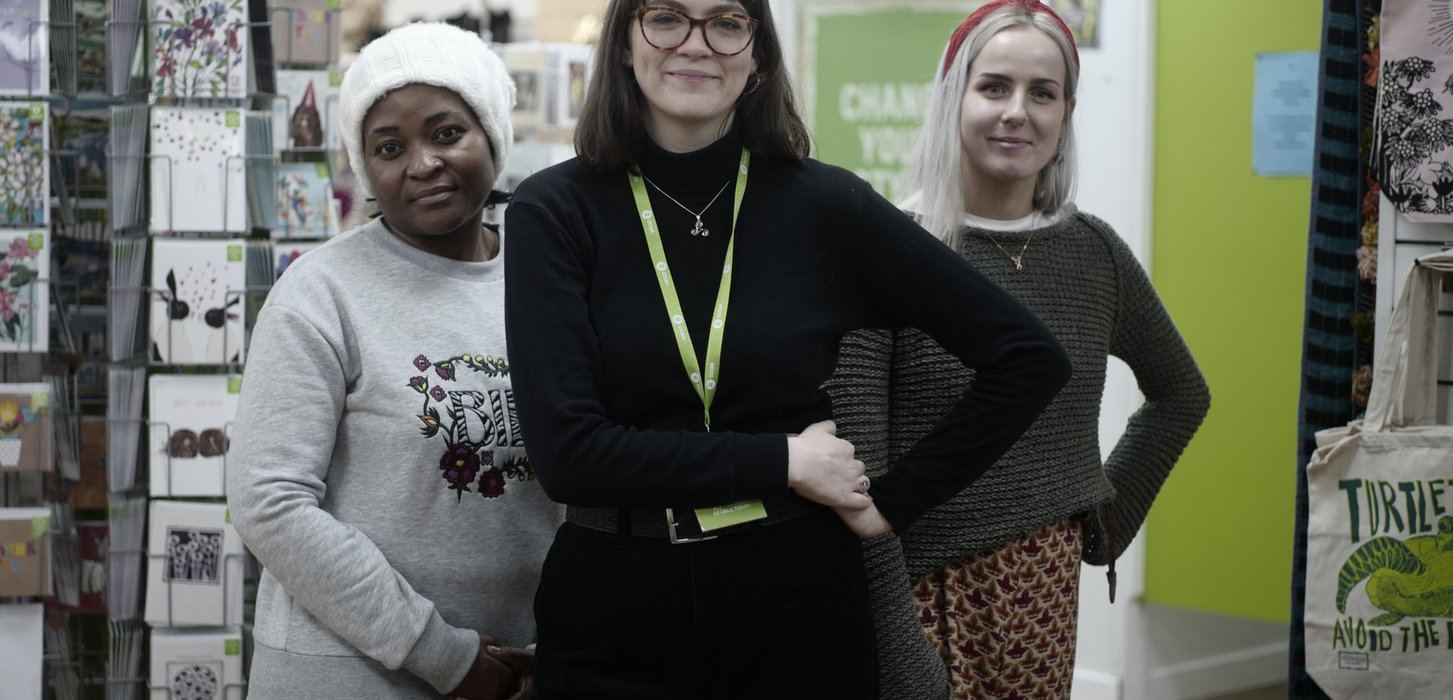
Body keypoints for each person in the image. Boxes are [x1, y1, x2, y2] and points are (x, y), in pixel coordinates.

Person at [501, 0, 1074, 696]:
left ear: (758, 53)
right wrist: (784, 459)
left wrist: (893, 501)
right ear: (625, 42)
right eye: (667, 17)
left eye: (726, 22)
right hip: (616, 604)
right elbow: (569, 456)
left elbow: (1028, 357)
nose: (695, 43)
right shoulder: (553, 211)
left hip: (795, 601)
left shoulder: (825, 205)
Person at [826, 1, 1212, 697]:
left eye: (1043, 93)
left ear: (1066, 116)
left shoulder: (1095, 254)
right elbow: (857, 479)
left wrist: (1103, 515)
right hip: (916, 590)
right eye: (994, 86)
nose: (1017, 112)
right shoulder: (886, 248)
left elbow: (1181, 393)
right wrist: (898, 647)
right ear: (954, 98)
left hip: (1043, 592)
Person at [228, 22, 553, 700]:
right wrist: (442, 654)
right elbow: (269, 501)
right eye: (388, 146)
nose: (422, 163)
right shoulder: (320, 292)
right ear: (364, 165)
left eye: (446, 132)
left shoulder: (553, 276)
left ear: (492, 132)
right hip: (351, 673)